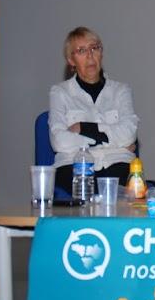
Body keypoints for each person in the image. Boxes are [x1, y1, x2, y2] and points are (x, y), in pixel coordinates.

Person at [49, 27, 139, 190]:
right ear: (71, 60)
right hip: (74, 167)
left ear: (101, 53)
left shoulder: (121, 91)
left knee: (122, 186)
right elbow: (59, 141)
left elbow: (129, 133)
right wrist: (110, 141)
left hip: (117, 165)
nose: (90, 55)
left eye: (94, 48)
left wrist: (84, 128)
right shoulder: (60, 92)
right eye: (81, 50)